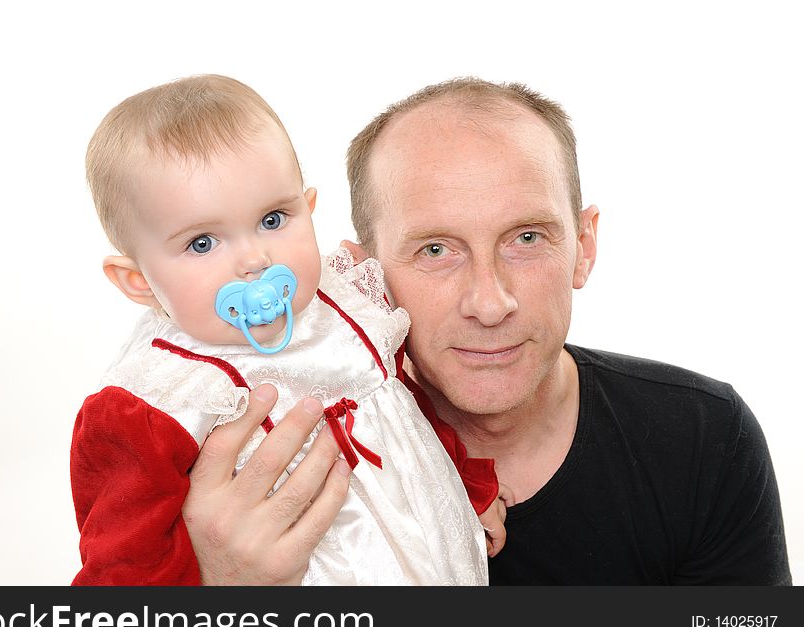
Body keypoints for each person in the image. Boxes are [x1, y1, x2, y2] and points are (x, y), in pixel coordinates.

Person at [182, 77, 792, 585]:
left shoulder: (703, 436)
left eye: (527, 239)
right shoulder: (261, 464)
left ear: (583, 246)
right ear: (367, 279)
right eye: (436, 249)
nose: (489, 302)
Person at [70, 74, 507, 586]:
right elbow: (124, 571)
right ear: (138, 280)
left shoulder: (343, 304)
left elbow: (401, 406)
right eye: (203, 243)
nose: (255, 259)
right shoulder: (153, 402)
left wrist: (467, 486)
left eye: (274, 219)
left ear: (310, 208)